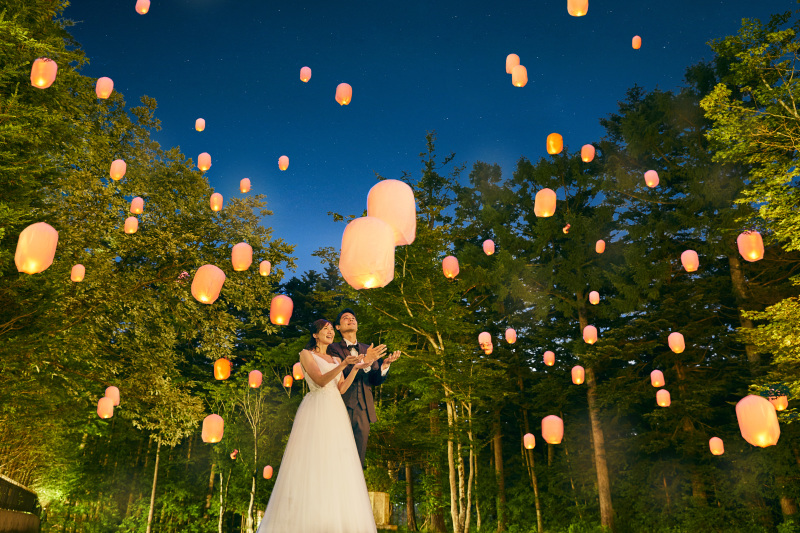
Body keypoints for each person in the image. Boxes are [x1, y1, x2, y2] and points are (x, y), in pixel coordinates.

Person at [257, 319, 381, 533]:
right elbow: (320, 381)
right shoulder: (306, 354)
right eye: (325, 329)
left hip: (336, 411)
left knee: (337, 462)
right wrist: (344, 365)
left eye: (332, 329)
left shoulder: (335, 358)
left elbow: (341, 388)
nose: (330, 332)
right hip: (316, 409)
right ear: (315, 334)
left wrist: (354, 368)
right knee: (313, 461)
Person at [328, 308, 401, 470]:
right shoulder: (332, 349)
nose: (351, 320)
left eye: (353, 318)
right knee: (338, 452)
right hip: (341, 405)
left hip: (364, 409)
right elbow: (341, 373)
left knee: (359, 456)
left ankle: (356, 485)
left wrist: (384, 365)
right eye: (346, 318)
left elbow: (375, 380)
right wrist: (366, 361)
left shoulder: (369, 349)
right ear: (338, 327)